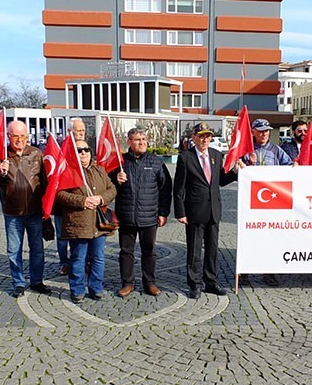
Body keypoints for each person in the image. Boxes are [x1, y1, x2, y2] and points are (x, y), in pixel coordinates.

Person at [174, 122, 242, 298]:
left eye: (208, 136)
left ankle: (211, 282)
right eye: (201, 136)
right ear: (194, 138)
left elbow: (220, 180)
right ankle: (194, 284)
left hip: (214, 210)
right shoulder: (185, 157)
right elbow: (179, 188)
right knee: (195, 250)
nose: (205, 139)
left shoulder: (216, 155)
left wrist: (234, 171)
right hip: (195, 210)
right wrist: (180, 212)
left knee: (212, 249)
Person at [0, 120, 51, 297]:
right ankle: (18, 282)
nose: (20, 140)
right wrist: (0, 171)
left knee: (37, 249)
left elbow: (45, 182)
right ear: (8, 136)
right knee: (14, 250)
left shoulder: (36, 154)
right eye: (16, 136)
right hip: (12, 212)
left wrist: (48, 209)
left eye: (23, 136)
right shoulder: (1, 154)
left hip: (35, 211)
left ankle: (37, 281)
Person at [112, 128, 172, 297]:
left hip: (149, 216)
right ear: (129, 142)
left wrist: (163, 212)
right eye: (138, 139)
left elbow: (166, 188)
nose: (142, 142)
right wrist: (116, 180)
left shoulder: (156, 162)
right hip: (126, 216)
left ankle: (150, 282)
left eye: (144, 139)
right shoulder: (120, 162)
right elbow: (107, 186)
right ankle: (127, 283)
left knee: (149, 252)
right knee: (126, 252)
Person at [56, 139, 117, 303]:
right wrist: (82, 201)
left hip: (98, 222)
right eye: (79, 150)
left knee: (98, 258)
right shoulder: (68, 171)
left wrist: (101, 199)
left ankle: (96, 288)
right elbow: (60, 194)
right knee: (78, 258)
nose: (83, 153)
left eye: (86, 149)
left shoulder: (100, 170)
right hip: (78, 222)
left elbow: (112, 189)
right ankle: (77, 290)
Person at [243, 118, 293, 286]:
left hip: (271, 203)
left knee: (270, 238)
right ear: (253, 132)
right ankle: (244, 271)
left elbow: (290, 167)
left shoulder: (276, 150)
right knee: (249, 238)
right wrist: (246, 163)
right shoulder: (247, 150)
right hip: (251, 203)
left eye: (266, 130)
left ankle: (269, 272)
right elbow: (236, 171)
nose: (264, 134)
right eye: (260, 130)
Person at [55, 117, 86, 276]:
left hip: (83, 202)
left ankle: (84, 261)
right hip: (63, 202)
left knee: (84, 234)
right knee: (62, 235)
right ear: (70, 132)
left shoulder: (86, 148)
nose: (81, 134)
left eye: (83, 131)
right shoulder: (61, 150)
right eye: (78, 131)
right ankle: (64, 262)